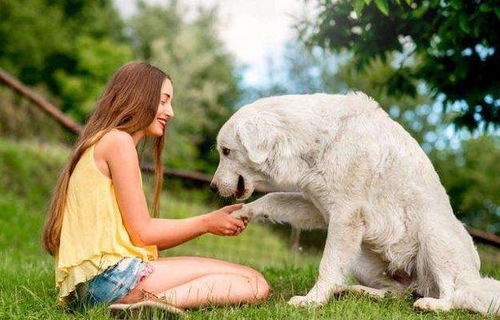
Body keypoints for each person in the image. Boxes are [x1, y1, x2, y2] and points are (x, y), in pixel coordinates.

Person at [41, 61, 269, 314]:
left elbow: (138, 232)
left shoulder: (101, 142)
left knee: (253, 279)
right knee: (253, 283)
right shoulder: (118, 142)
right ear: (138, 97)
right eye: (163, 101)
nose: (169, 112)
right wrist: (207, 223)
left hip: (92, 286)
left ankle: (143, 306)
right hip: (111, 280)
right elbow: (144, 233)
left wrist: (208, 222)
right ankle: (151, 306)